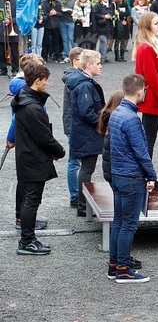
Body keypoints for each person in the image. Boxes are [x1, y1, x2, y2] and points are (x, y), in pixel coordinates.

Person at [12, 63, 66, 255]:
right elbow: (43, 136)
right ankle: (27, 241)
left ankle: (28, 239)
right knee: (31, 201)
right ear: (37, 81)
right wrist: (59, 151)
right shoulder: (32, 107)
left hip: (29, 156)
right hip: (33, 159)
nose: (47, 84)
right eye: (45, 80)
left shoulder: (25, 100)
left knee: (30, 199)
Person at [107, 74, 156, 283]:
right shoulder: (132, 119)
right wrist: (151, 175)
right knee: (128, 225)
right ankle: (124, 270)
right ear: (140, 91)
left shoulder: (116, 113)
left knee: (118, 222)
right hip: (131, 177)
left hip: (118, 175)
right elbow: (141, 152)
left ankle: (114, 265)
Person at [133, 12, 158, 190]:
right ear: (148, 26)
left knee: (147, 140)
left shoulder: (146, 46)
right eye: (156, 23)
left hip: (151, 99)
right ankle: (147, 177)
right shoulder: (147, 48)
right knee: (148, 141)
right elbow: (151, 78)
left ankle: (146, 175)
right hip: (152, 100)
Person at [67, 50, 106, 217]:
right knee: (87, 169)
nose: (101, 66)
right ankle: (83, 206)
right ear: (89, 65)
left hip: (84, 134)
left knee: (86, 168)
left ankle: (82, 204)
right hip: (87, 135)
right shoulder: (84, 85)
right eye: (98, 63)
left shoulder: (83, 82)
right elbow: (86, 111)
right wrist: (102, 125)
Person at [62, 47, 84, 208]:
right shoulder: (74, 79)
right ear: (75, 61)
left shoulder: (73, 78)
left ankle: (76, 196)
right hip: (74, 126)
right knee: (74, 162)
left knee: (76, 162)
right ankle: (75, 196)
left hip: (73, 125)